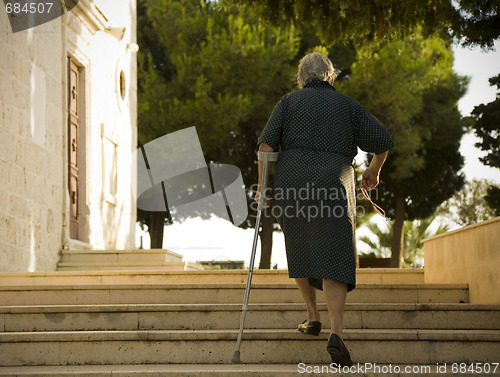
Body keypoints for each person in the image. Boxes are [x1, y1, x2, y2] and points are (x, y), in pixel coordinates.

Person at [255, 52, 394, 366]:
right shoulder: (347, 105)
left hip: (292, 182)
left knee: (299, 246)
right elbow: (382, 139)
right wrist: (373, 171)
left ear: (302, 78)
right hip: (334, 181)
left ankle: (312, 315)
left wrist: (264, 186)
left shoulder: (289, 102)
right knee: (335, 255)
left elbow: (266, 146)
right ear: (330, 77)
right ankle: (336, 334)